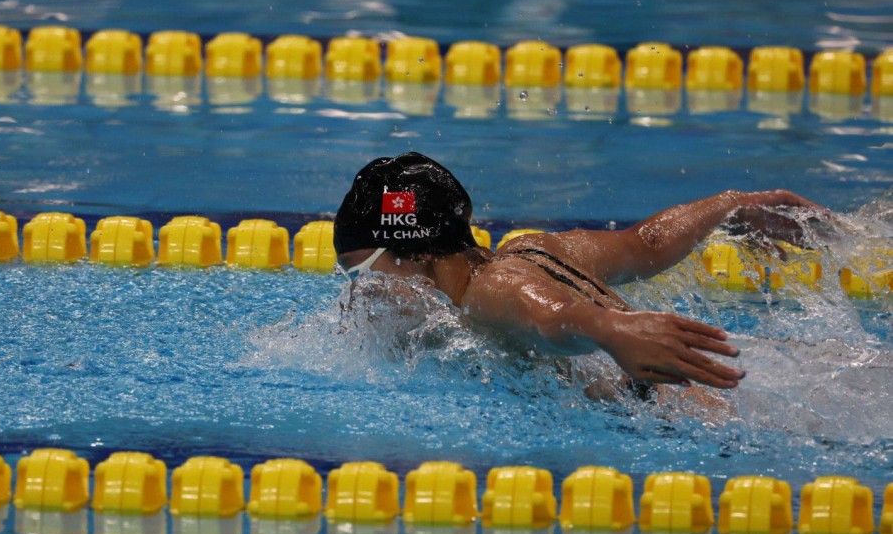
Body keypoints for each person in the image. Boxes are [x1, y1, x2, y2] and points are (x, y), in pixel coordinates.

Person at [334, 152, 827, 396]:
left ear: (415, 254)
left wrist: (609, 328)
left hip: (709, 413)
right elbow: (645, 243)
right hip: (758, 377)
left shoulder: (489, 289)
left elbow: (551, 318)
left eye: (364, 274)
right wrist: (731, 205)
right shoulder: (531, 249)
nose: (360, 297)